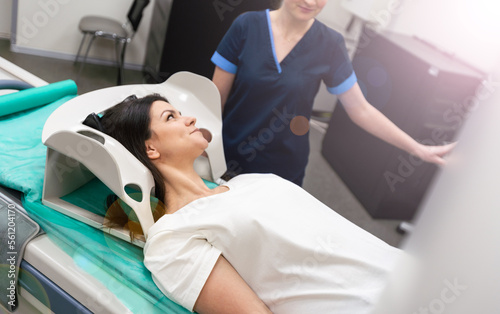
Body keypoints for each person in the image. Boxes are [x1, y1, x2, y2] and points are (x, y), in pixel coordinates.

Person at [91, 93, 403, 314]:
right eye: (170, 117)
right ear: (151, 149)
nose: (190, 118)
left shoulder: (249, 181)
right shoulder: (172, 237)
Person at [211, 0, 455, 185]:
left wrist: (417, 148)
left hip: (282, 169)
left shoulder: (330, 44)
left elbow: (360, 109)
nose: (311, 2)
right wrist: (203, 150)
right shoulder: (246, 26)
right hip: (229, 157)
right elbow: (215, 100)